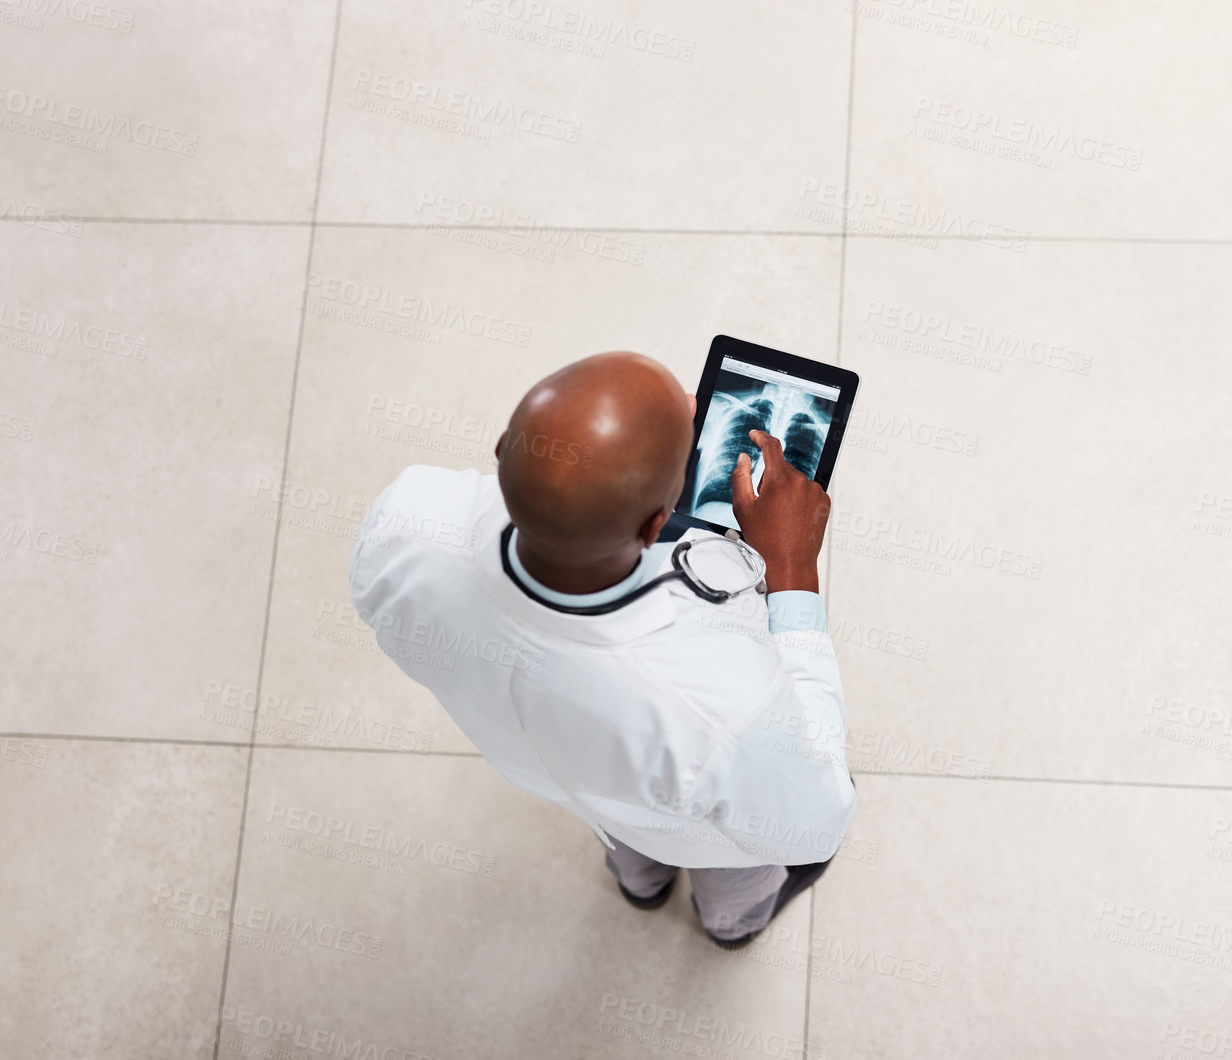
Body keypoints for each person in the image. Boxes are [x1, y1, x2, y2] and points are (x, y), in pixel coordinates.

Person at [348, 351, 855, 948]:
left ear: (501, 444)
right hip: (691, 826)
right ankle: (731, 928)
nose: (697, 411)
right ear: (653, 528)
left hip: (566, 780)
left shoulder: (403, 526)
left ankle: (639, 887)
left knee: (625, 839)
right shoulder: (718, 706)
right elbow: (814, 825)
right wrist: (792, 570)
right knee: (732, 878)